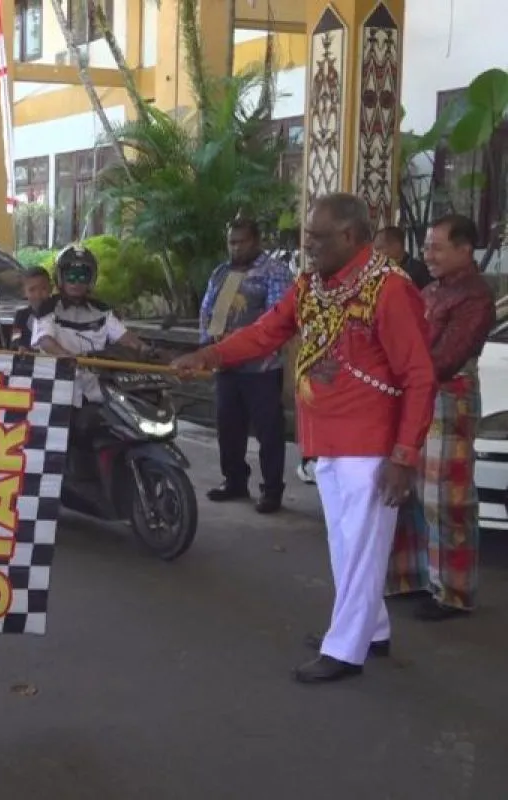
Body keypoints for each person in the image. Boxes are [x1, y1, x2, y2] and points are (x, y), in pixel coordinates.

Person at [172, 193, 437, 684]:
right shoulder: (312, 285)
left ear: (349, 236)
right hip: (325, 436)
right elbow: (265, 332)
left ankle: (346, 649)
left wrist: (404, 455)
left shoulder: (390, 289)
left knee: (362, 548)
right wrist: (210, 356)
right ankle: (371, 629)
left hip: (371, 442)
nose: (307, 245)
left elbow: (419, 377)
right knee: (346, 543)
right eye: (306, 236)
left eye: (316, 237)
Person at [387, 214, 495, 621]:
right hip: (417, 393)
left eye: (437, 248)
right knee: (410, 490)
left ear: (465, 250)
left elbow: (447, 358)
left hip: (449, 398)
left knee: (446, 497)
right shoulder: (431, 290)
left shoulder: (476, 297)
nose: (427, 255)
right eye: (427, 247)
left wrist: (401, 375)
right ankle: (411, 577)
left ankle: (453, 592)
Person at [198, 219, 295, 513]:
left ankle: (272, 490)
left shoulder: (274, 271)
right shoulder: (221, 271)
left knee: (268, 431)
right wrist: (206, 346)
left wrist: (240, 340)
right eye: (232, 242)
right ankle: (234, 481)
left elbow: (277, 318)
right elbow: (207, 309)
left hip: (261, 369)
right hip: (226, 366)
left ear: (256, 241)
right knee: (228, 428)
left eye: (242, 242)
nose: (236, 248)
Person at [32, 244, 161, 423]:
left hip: (96, 391)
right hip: (58, 390)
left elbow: (125, 337)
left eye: (82, 276)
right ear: (61, 277)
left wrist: (146, 349)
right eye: (71, 276)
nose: (76, 282)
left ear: (91, 279)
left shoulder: (101, 310)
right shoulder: (48, 308)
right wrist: (68, 357)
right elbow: (45, 340)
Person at [374, 225, 432, 290]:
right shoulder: (379, 272)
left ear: (396, 246)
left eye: (380, 248)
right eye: (375, 249)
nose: (376, 253)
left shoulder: (420, 271)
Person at [10, 268, 54, 350]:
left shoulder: (57, 313)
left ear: (51, 288)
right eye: (32, 290)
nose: (38, 294)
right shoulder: (21, 315)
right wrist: (20, 346)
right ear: (24, 292)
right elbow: (15, 338)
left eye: (43, 288)